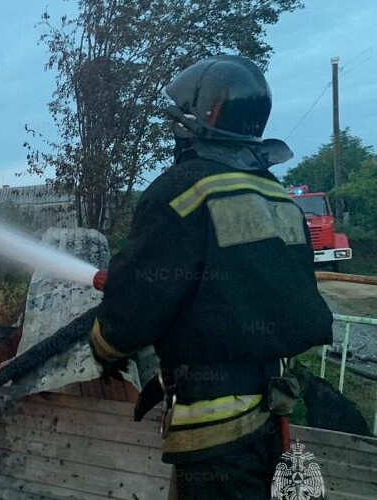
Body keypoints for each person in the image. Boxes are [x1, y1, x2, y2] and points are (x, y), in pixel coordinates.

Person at [88, 55, 333, 499]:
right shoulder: (277, 196)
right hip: (274, 410)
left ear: (199, 121)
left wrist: (105, 345)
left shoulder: (182, 191)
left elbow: (135, 308)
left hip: (216, 432)